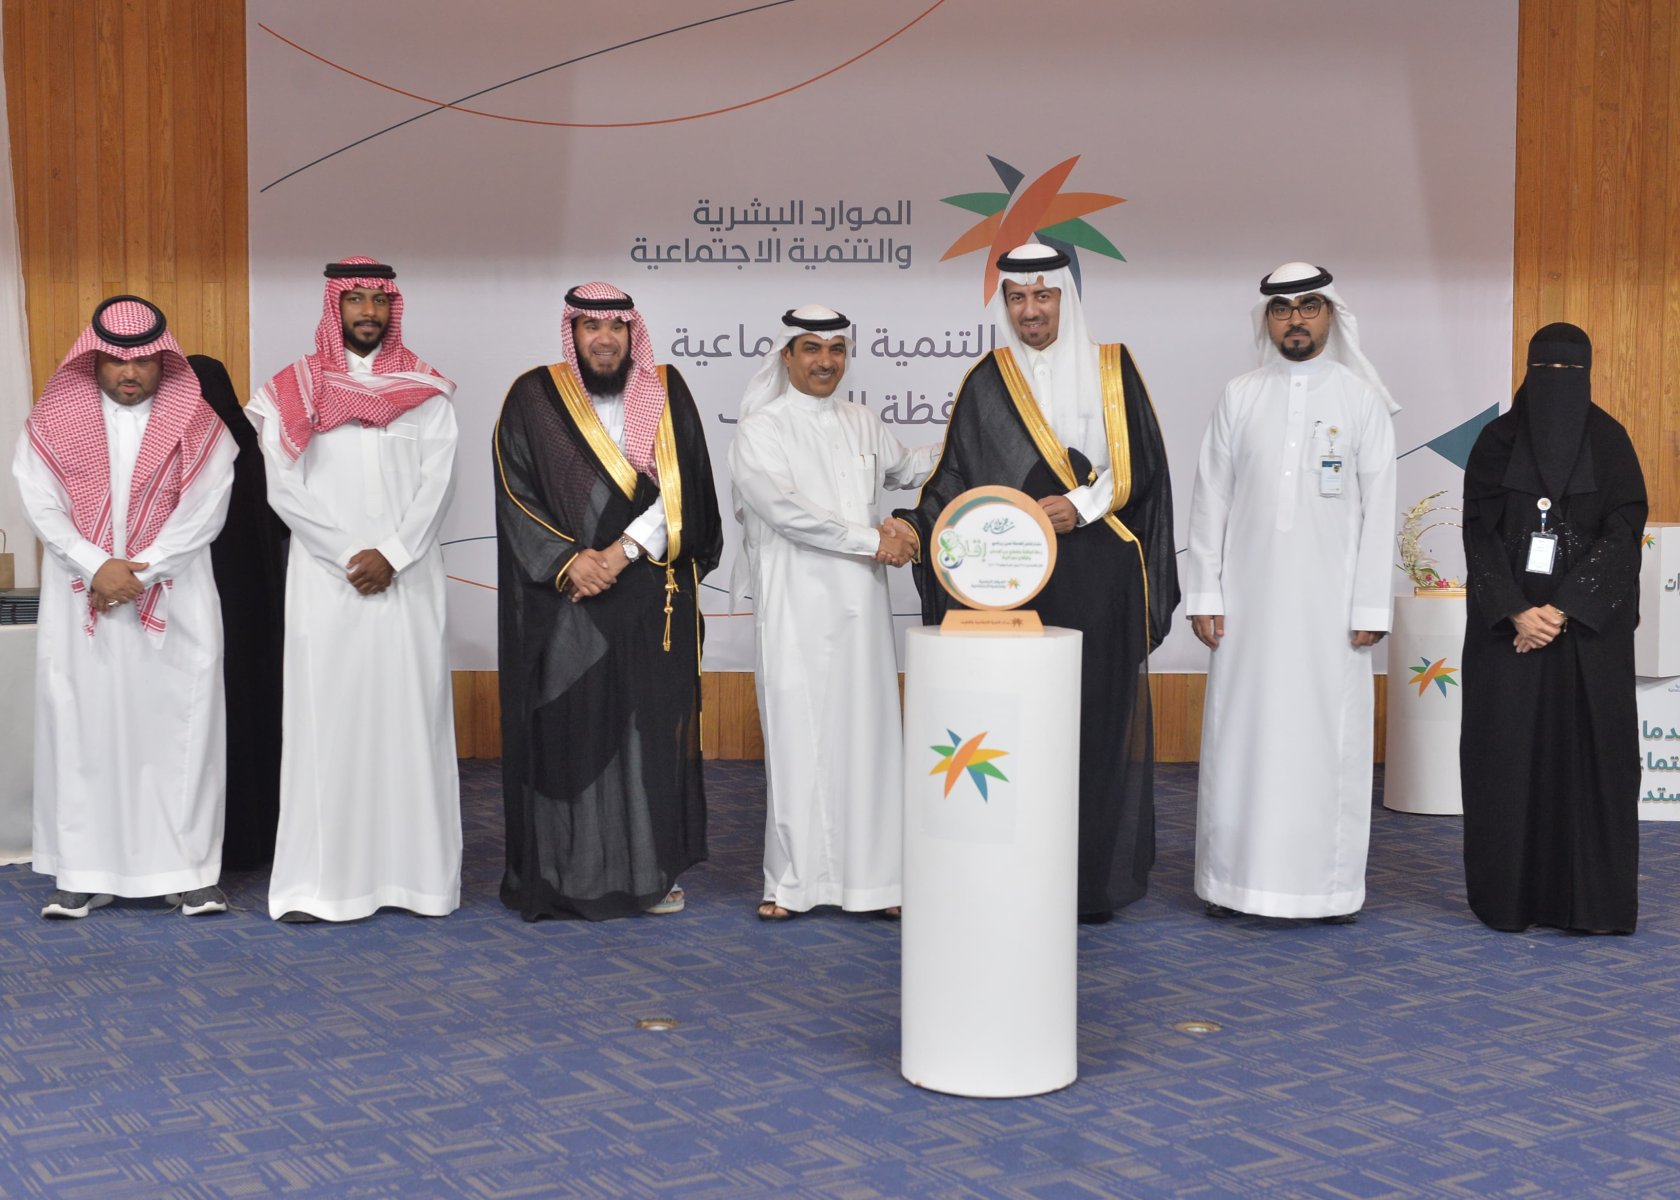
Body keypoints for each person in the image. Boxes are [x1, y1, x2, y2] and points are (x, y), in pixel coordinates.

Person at [892, 243, 1179, 922]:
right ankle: (1013, 874)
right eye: (1017, 298)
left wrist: (1079, 505)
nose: (1031, 311)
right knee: (1017, 726)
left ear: (1065, 299)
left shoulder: (1113, 368)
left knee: (1092, 721)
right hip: (1014, 585)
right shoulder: (988, 378)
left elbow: (1140, 465)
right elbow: (955, 477)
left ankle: (1086, 884)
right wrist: (912, 529)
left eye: (1043, 296)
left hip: (1096, 574)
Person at [495, 282, 722, 921]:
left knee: (646, 732)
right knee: (569, 728)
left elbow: (688, 490)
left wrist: (621, 552)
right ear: (573, 333)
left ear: (631, 334)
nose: (604, 339)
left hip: (647, 590)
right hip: (565, 596)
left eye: (617, 328)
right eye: (591, 327)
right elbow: (514, 489)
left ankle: (649, 874)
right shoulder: (534, 397)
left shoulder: (668, 392)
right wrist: (569, 560)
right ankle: (566, 875)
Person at [247, 257, 462, 923]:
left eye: (379, 300)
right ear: (333, 306)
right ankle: (318, 886)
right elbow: (283, 489)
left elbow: (439, 484)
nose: (368, 311)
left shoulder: (426, 390)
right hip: (326, 581)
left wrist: (392, 554)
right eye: (356, 299)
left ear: (393, 307)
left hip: (408, 580)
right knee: (327, 726)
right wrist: (348, 553)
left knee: (412, 723)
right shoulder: (290, 391)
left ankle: (419, 882)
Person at [1185, 262, 1399, 923]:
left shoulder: (1360, 400)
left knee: (1325, 740)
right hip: (1246, 609)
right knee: (1241, 737)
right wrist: (1205, 593)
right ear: (1268, 320)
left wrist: (1371, 603)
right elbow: (1210, 499)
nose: (1296, 319)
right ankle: (1231, 882)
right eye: (1282, 309)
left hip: (1331, 612)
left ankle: (1326, 889)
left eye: (1309, 306)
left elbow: (1380, 508)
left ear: (1331, 314)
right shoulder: (1239, 396)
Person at [12, 295, 235, 918]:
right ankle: (82, 871)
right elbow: (39, 503)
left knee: (181, 733)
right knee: (83, 730)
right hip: (82, 598)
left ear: (164, 362)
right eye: (115, 360)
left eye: (143, 361)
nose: (129, 372)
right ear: (94, 361)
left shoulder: (199, 426)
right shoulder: (51, 422)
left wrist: (141, 570)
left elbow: (206, 508)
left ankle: (190, 872)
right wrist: (95, 565)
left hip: (175, 597)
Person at [729, 305, 937, 921]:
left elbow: (911, 467)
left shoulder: (862, 421)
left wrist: (976, 425)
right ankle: (791, 883)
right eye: (812, 349)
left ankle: (878, 884)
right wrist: (874, 540)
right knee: (800, 737)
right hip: (795, 607)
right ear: (787, 356)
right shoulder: (761, 429)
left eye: (836, 350)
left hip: (862, 609)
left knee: (869, 737)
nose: (826, 362)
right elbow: (786, 511)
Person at [1460, 322, 1644, 934]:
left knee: (1592, 765)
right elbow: (1478, 535)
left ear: (1588, 375)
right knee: (1507, 761)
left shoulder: (1611, 443)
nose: (1557, 385)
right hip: (1508, 639)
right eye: (1547, 372)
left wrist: (1562, 610)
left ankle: (1590, 904)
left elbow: (1624, 537)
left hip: (1587, 641)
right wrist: (1516, 609)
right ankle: (1508, 898)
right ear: (1528, 372)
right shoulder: (1495, 443)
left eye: (1569, 373)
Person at [192, 354, 288, 873]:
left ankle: (214, 839)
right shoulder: (256, 450)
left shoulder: (195, 450)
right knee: (257, 712)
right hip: (258, 613)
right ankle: (263, 835)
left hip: (204, 605)